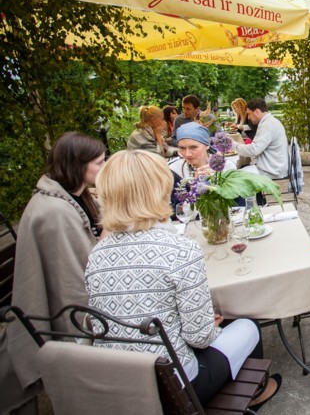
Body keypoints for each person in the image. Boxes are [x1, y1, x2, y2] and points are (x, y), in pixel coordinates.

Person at [85, 149, 280, 407]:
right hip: (174, 387)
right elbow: (199, 338)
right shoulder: (179, 249)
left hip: (120, 384)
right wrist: (203, 322)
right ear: (159, 190)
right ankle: (251, 396)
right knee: (248, 325)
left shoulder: (97, 254)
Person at [2, 132, 105, 407]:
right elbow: (74, 284)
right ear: (78, 165)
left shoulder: (64, 197)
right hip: (72, 324)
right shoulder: (55, 212)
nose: (103, 169)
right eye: (99, 163)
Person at [234, 99, 289, 180]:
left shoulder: (267, 125)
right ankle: (256, 192)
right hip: (274, 166)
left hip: (272, 170)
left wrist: (233, 145)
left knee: (234, 177)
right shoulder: (271, 121)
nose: (248, 118)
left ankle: (255, 192)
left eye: (249, 114)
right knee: (240, 171)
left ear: (256, 111)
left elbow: (253, 150)